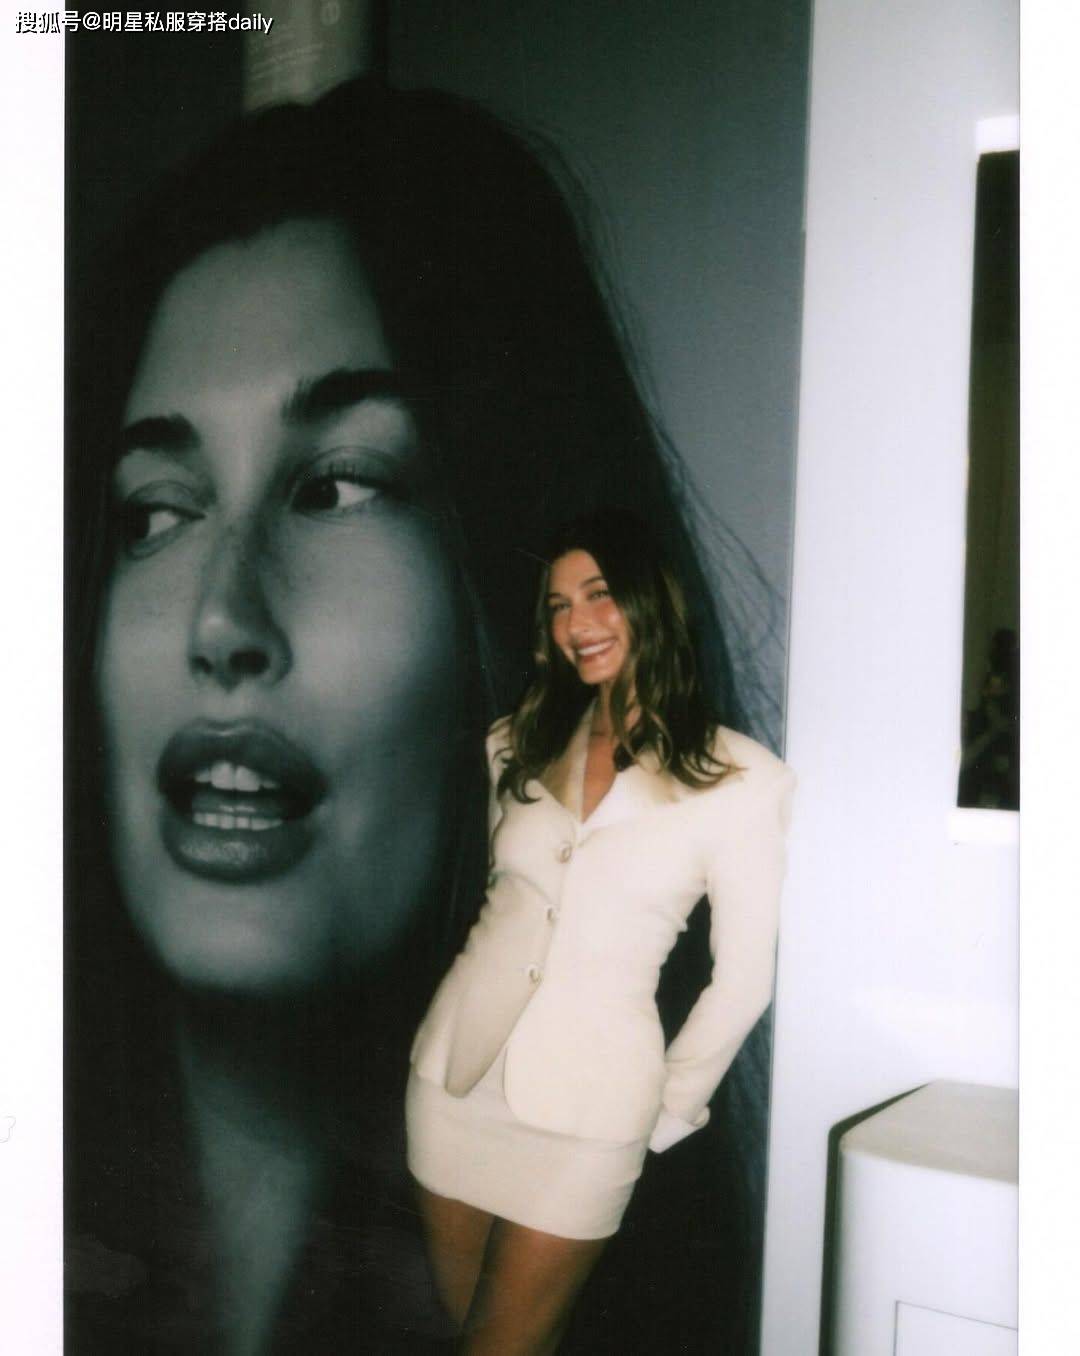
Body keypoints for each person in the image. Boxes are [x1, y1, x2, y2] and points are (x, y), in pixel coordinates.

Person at [66, 77, 781, 1352]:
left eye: (337, 487)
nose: (219, 621)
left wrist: (666, 1109)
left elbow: (736, 976)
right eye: (154, 512)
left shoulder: (717, 781)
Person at [406, 508, 795, 1353]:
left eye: (598, 593)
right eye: (557, 605)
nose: (575, 622)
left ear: (652, 600)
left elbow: (743, 982)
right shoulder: (513, 743)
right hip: (454, 1082)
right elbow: (504, 905)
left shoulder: (743, 778)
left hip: (591, 1113)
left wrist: (666, 1110)